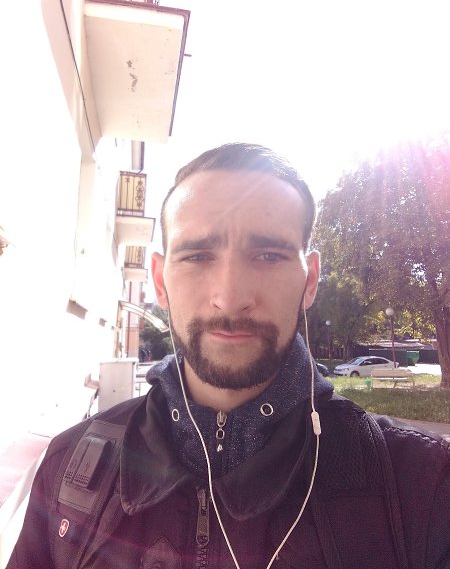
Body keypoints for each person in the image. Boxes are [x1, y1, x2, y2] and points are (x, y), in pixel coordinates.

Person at [7, 143, 450, 569]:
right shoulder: (67, 466)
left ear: (310, 281)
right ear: (160, 282)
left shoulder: (424, 486)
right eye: (198, 256)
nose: (231, 296)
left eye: (269, 255)